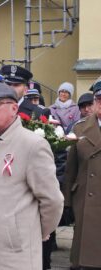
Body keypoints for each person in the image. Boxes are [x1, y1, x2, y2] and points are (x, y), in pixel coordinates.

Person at [0, 82, 64, 270]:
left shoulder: (33, 144)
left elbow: (52, 200)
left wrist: (30, 232)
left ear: (13, 109)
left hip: (14, 253)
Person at [63, 81, 101, 269]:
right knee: (84, 260)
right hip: (85, 201)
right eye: (99, 99)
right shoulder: (80, 128)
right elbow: (71, 169)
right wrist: (67, 202)